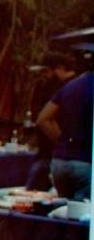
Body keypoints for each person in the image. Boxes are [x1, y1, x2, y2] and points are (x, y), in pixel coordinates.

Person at [38, 64, 92, 201]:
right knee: (83, 215)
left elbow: (42, 119)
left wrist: (61, 141)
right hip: (86, 161)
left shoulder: (70, 86)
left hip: (60, 161)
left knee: (63, 211)